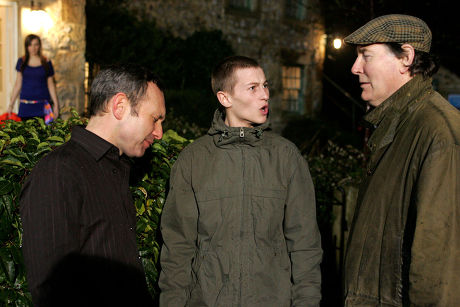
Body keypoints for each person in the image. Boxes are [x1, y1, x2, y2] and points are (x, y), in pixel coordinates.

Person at [159, 56, 322, 306]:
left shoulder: (286, 157)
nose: (265, 95)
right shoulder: (193, 159)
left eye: (265, 85)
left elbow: (305, 244)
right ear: (225, 98)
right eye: (253, 88)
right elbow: (177, 248)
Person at [20, 64, 166, 306]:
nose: (159, 132)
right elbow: (52, 291)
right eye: (155, 119)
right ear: (119, 106)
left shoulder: (116, 170)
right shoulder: (58, 171)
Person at [343, 14, 460, 306]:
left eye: (366, 55)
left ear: (405, 57)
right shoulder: (397, 125)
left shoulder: (439, 133)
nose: (355, 68)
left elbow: (440, 270)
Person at [7, 34, 59, 124]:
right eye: (30, 45)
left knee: (44, 136)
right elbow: (18, 84)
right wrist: (11, 104)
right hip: (25, 107)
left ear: (39, 46)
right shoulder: (22, 62)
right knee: (26, 136)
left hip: (43, 107)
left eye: (36, 44)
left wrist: (56, 105)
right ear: (26, 47)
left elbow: (51, 85)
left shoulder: (46, 62)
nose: (33, 48)